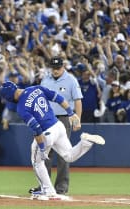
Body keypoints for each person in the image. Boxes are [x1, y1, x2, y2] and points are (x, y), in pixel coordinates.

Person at [0, 81, 104, 200]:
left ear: (8, 95)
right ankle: (86, 142)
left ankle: (47, 190)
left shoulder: (21, 107)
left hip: (46, 132)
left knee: (37, 161)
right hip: (58, 126)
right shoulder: (35, 88)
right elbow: (58, 98)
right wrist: (71, 113)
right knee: (69, 156)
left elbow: (36, 128)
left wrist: (43, 148)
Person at [32, 56, 83, 195]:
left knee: (63, 155)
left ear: (63, 67)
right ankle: (45, 186)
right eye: (53, 68)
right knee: (44, 153)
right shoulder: (45, 79)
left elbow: (78, 100)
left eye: (58, 68)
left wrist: (77, 119)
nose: (55, 71)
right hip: (47, 119)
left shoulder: (71, 79)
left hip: (64, 119)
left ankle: (61, 188)